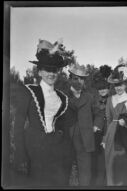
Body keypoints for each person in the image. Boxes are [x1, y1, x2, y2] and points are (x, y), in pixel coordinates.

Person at [11, 39, 77, 187]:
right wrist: (20, 155)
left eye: (54, 70)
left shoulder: (63, 98)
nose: (51, 74)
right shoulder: (28, 91)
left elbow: (66, 129)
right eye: (47, 70)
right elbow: (18, 126)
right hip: (34, 154)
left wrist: (68, 154)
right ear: (40, 71)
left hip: (59, 156)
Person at [67, 64, 104, 186]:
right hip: (66, 140)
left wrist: (95, 126)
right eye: (76, 78)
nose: (79, 81)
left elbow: (99, 114)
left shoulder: (89, 97)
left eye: (82, 79)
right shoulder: (63, 96)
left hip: (85, 140)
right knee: (65, 173)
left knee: (85, 173)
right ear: (70, 79)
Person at [91, 70, 111, 186]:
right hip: (97, 135)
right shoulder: (95, 101)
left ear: (108, 88)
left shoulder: (112, 100)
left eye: (104, 88)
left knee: (107, 163)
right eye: (100, 89)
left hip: (108, 134)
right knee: (98, 163)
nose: (102, 90)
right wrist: (95, 125)